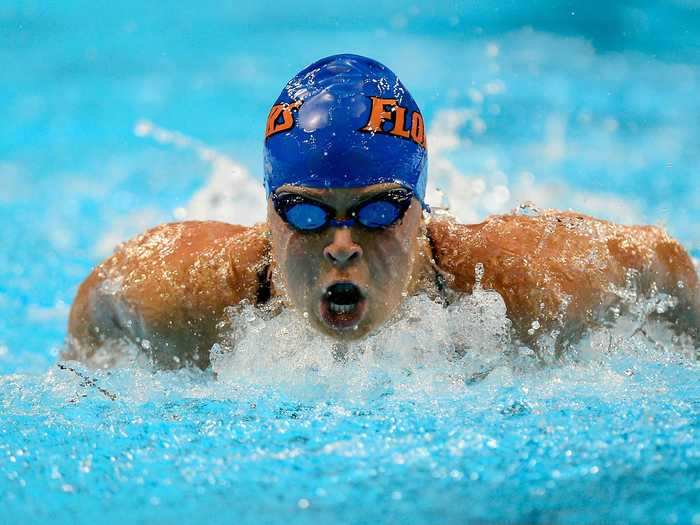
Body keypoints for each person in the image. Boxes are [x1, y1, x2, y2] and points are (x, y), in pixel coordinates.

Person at [64, 54, 699, 369]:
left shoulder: (522, 290)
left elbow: (664, 262)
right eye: (307, 214)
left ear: (422, 209)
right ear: (268, 215)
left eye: (377, 212)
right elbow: (97, 303)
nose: (341, 243)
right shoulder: (186, 295)